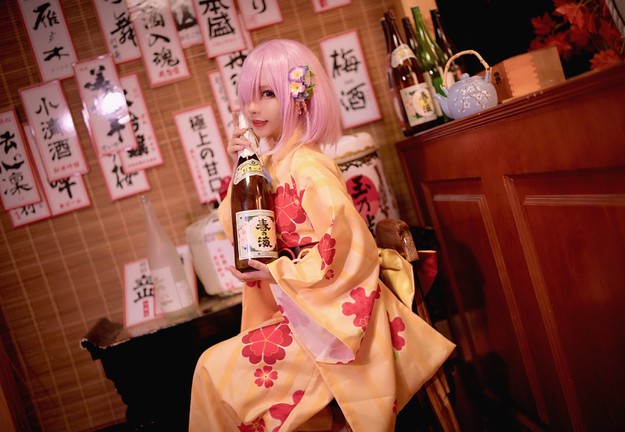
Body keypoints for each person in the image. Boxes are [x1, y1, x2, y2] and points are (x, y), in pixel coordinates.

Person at [188, 39, 455, 432]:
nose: (253, 107)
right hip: (305, 309)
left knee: (213, 372)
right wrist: (241, 162)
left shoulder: (308, 166)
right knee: (215, 374)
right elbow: (239, 228)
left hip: (331, 320)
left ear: (298, 99)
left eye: (267, 94)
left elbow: (344, 247)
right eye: (249, 96)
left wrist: (279, 271)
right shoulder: (271, 163)